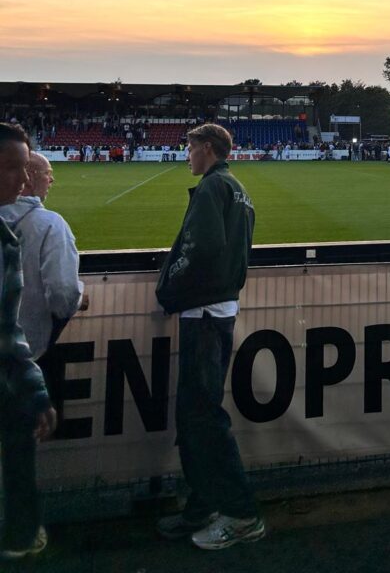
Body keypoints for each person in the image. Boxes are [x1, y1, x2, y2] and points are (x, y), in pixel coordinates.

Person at [155, 123, 263, 551]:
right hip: (219, 309)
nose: (186, 155)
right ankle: (201, 506)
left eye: (190, 148)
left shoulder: (212, 187)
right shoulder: (238, 189)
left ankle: (241, 514)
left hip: (202, 312)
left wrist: (169, 287)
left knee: (202, 418)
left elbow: (201, 246)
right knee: (195, 416)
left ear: (206, 147)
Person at [0, 124, 57, 559]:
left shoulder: (7, 240)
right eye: (12, 167)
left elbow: (7, 330)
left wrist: (36, 392)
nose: (24, 179)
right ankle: (22, 535)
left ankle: (21, 535)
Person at [0, 152, 86, 362]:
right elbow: (63, 294)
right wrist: (79, 300)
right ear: (29, 177)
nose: (52, 179)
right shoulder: (50, 225)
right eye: (48, 173)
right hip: (23, 352)